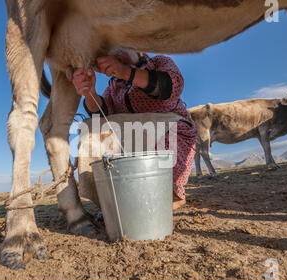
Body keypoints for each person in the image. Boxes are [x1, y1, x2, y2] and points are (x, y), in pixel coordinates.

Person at [72, 50, 196, 210]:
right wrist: (89, 92)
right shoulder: (113, 86)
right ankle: (111, 198)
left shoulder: (159, 62)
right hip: (134, 138)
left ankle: (170, 194)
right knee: (93, 129)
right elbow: (102, 115)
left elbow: (170, 87)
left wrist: (126, 71)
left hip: (171, 132)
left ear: (139, 49)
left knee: (150, 132)